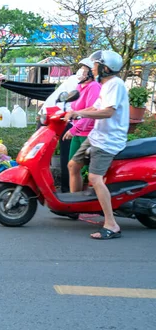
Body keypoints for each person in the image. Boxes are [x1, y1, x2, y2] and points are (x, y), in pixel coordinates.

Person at [65, 50, 129, 240]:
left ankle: (111, 224)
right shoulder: (105, 84)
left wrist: (81, 114)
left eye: (95, 65)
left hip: (109, 139)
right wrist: (74, 112)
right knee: (73, 165)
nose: (92, 69)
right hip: (97, 135)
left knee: (94, 177)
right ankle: (74, 207)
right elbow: (96, 107)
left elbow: (108, 112)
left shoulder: (115, 85)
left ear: (105, 68)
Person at [62, 58, 102, 162]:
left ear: (90, 73)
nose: (80, 72)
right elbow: (74, 107)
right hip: (78, 130)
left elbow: (91, 112)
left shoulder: (94, 87)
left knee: (80, 167)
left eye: (84, 70)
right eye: (81, 69)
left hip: (87, 133)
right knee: (72, 164)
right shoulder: (79, 86)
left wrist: (75, 130)